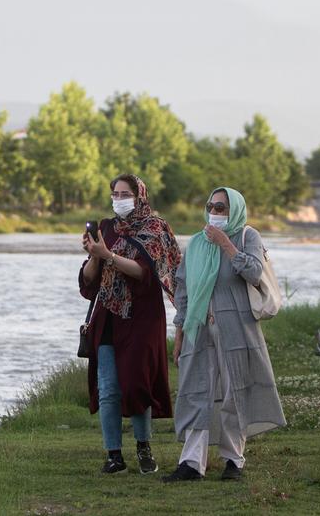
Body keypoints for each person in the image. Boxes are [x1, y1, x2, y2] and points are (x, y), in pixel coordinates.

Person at [163, 187, 286, 483]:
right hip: (199, 328)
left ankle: (234, 461)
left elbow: (255, 273)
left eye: (222, 208)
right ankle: (191, 463)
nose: (215, 212)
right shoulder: (195, 244)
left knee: (234, 393)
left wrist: (227, 246)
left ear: (235, 211)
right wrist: (179, 334)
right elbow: (183, 292)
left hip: (237, 329)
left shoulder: (248, 237)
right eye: (211, 206)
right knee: (195, 392)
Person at [79, 174, 182, 475]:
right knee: (108, 387)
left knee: (138, 383)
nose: (119, 198)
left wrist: (107, 255)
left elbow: (145, 273)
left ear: (139, 196)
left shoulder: (156, 229)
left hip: (142, 318)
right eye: (114, 192)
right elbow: (88, 280)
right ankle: (114, 454)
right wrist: (95, 256)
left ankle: (143, 446)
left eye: (125, 193)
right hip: (109, 317)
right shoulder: (106, 228)